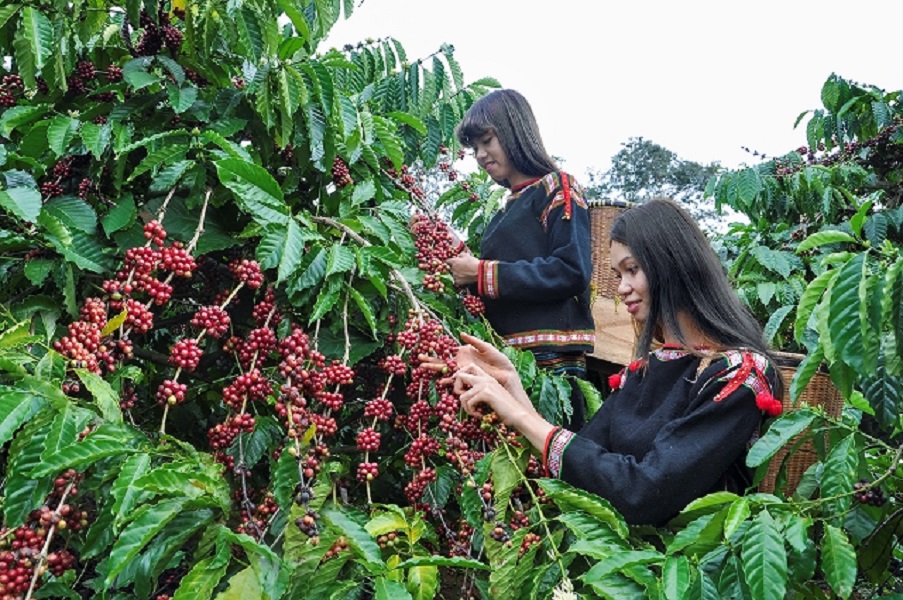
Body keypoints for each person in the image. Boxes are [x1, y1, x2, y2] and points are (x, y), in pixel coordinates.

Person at [436, 199, 785, 526]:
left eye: (632, 270)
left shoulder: (738, 374)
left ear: (673, 264)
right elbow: (585, 465)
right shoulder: (645, 370)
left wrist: (517, 413)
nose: (622, 288)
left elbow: (644, 492)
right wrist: (510, 385)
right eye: (619, 275)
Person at [446, 89, 595, 428]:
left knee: (550, 453)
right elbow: (502, 281)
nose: (481, 155)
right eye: (474, 148)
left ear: (514, 131)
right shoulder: (503, 213)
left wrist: (480, 273)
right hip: (505, 360)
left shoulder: (557, 188)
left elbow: (572, 270)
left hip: (551, 367)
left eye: (487, 141)